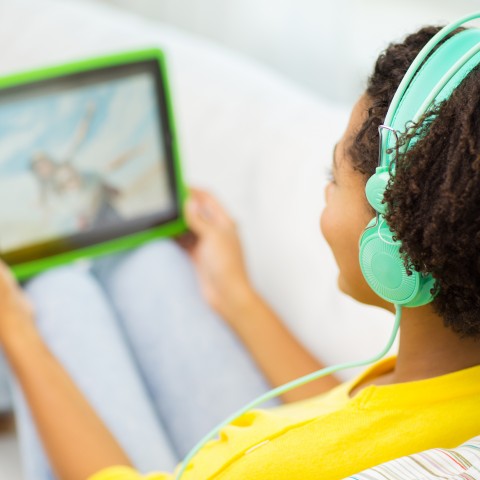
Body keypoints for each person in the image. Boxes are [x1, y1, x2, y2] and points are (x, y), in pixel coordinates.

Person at [2, 22, 480, 480]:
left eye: (333, 178)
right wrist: (237, 299)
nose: (325, 190)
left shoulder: (256, 466)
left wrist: (19, 334)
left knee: (56, 292)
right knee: (148, 261)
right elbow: (369, 416)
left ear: (392, 249)